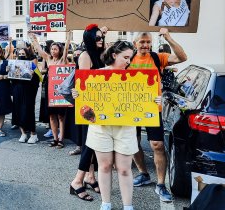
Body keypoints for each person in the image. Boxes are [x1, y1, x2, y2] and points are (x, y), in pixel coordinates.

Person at [72, 41, 162, 210]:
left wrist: (155, 100)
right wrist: (77, 94)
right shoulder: (95, 75)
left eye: (130, 58)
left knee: (124, 169)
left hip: (125, 128)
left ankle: (128, 206)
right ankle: (106, 204)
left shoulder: (136, 78)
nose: (129, 61)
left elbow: (145, 102)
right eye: (125, 57)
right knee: (104, 167)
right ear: (114, 55)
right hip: (100, 128)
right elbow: (78, 99)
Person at [129, 28, 187, 202]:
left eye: (148, 42)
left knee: (157, 145)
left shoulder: (157, 57)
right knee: (133, 142)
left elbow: (182, 57)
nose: (146, 45)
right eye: (142, 42)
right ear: (135, 44)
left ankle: (161, 185)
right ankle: (143, 173)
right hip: (130, 108)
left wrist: (168, 37)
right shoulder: (127, 59)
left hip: (152, 109)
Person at [69, 24, 106, 201]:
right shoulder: (85, 56)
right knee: (89, 144)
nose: (101, 40)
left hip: (98, 105)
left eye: (102, 37)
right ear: (89, 39)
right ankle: (77, 181)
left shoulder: (100, 55)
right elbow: (85, 84)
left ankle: (90, 177)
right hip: (87, 107)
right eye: (97, 37)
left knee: (93, 143)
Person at [30, 32, 71, 149]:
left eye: (55, 49)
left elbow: (67, 48)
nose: (53, 51)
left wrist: (68, 36)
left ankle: (61, 139)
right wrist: (33, 39)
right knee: (52, 116)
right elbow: (39, 51)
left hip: (60, 93)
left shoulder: (63, 60)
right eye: (52, 49)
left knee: (61, 117)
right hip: (50, 90)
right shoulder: (48, 59)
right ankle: (55, 138)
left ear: (60, 50)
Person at [10, 46, 41, 144]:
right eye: (20, 54)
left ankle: (33, 134)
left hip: (28, 92)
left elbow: (38, 78)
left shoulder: (32, 65)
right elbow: (12, 79)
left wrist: (32, 74)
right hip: (17, 91)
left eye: (23, 54)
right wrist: (9, 71)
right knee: (18, 112)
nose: (21, 56)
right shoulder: (14, 64)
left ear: (27, 55)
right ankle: (23, 133)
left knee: (28, 111)